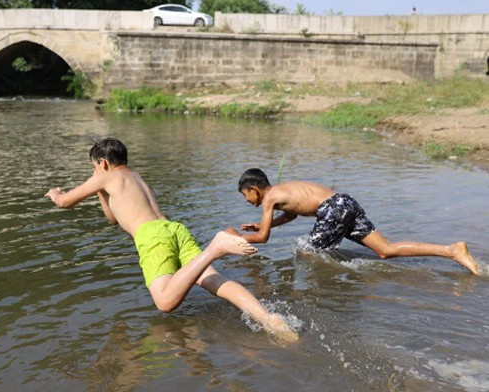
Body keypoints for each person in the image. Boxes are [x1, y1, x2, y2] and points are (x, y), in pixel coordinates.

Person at [45, 138, 298, 342]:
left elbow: (65, 202)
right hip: (173, 228)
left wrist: (56, 193)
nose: (94, 174)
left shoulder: (104, 175)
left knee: (165, 302)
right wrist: (100, 190)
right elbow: (112, 218)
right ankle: (269, 319)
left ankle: (216, 247)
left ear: (103, 163)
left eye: (94, 168)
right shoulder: (134, 176)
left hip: (151, 236)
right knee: (213, 280)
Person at [228, 168, 478, 274]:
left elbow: (263, 239)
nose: (246, 200)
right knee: (386, 250)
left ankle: (324, 295)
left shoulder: (270, 197)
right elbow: (292, 215)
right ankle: (452, 250)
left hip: (332, 209)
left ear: (253, 188)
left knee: (306, 253)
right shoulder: (283, 190)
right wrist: (263, 224)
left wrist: (236, 239)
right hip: (344, 202)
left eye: (245, 195)